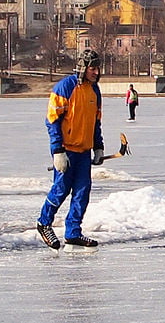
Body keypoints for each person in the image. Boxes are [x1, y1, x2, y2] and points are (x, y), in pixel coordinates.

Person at [36, 49, 105, 251]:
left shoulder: (95, 91)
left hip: (84, 151)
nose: (96, 72)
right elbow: (52, 120)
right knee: (61, 190)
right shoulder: (65, 87)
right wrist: (57, 151)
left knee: (82, 193)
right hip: (66, 150)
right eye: (93, 68)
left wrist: (98, 146)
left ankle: (73, 232)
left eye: (98, 68)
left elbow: (95, 122)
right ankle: (44, 222)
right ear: (83, 68)